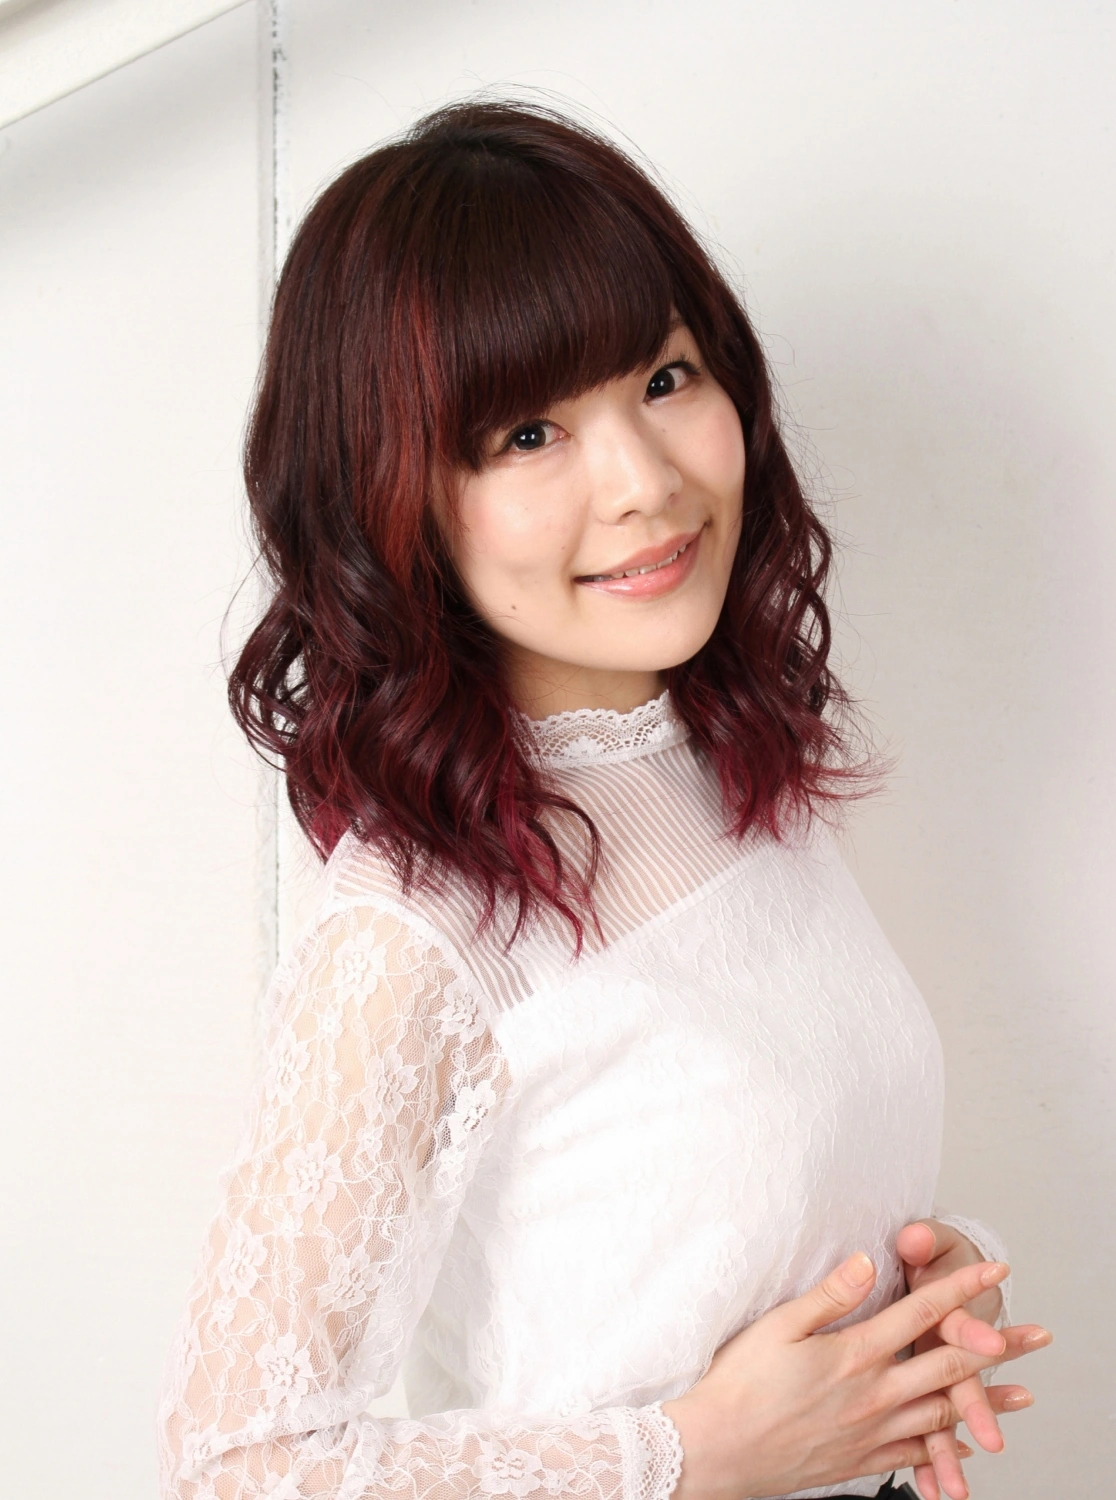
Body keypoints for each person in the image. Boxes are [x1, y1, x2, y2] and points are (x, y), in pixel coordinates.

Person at [157, 99, 1051, 1500]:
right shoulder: (410, 934)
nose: (646, 482)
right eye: (527, 433)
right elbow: (237, 1463)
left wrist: (913, 1314)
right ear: (388, 496)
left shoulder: (724, 761)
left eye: (665, 377)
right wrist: (691, 1454)